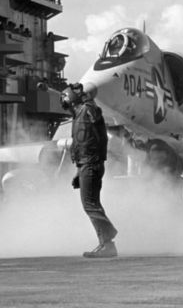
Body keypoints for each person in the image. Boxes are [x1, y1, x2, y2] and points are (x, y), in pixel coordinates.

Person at [61, 83, 118, 258]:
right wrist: (79, 170)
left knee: (90, 204)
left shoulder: (88, 110)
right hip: (87, 164)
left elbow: (94, 115)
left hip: (90, 164)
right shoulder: (80, 114)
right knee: (91, 203)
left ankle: (107, 242)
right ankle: (107, 243)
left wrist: (85, 98)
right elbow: (83, 144)